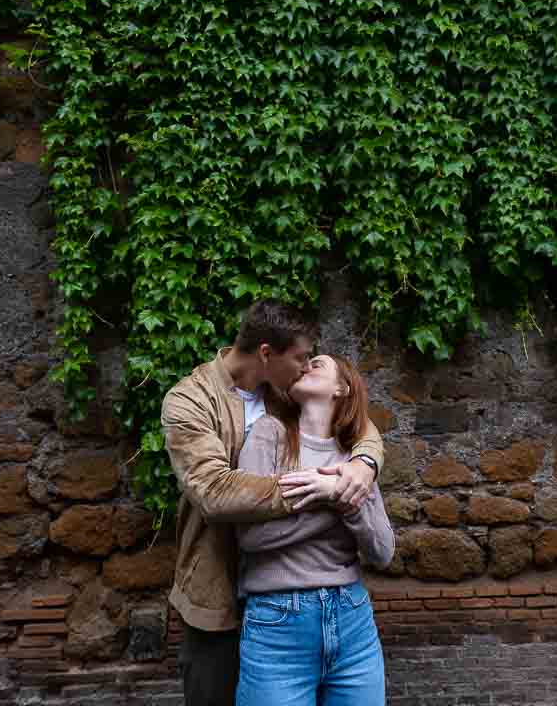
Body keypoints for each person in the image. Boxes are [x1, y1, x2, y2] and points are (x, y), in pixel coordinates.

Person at [161, 300, 386, 706]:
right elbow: (213, 491)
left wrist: (365, 462)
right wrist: (327, 491)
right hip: (218, 583)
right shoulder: (189, 401)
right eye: (301, 358)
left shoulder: (285, 392)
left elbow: (356, 423)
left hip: (295, 590)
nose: (305, 367)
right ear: (266, 353)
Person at [234, 353, 394, 706]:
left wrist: (337, 493)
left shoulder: (356, 459)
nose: (305, 365)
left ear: (343, 387)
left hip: (353, 620)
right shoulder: (269, 434)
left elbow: (382, 551)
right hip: (278, 623)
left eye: (317, 363)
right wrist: (337, 498)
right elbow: (251, 536)